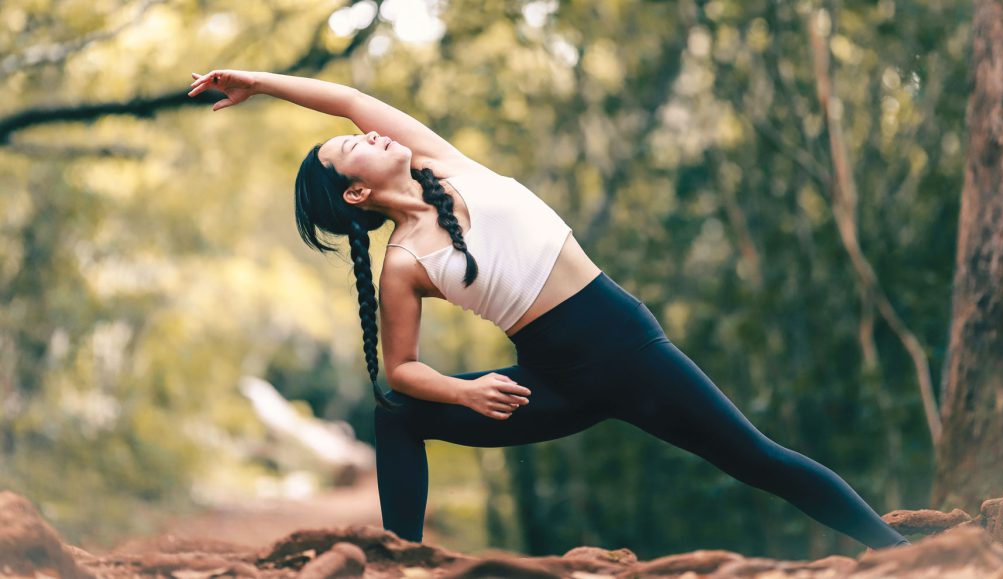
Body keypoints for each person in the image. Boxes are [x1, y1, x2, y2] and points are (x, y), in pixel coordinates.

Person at [186, 69, 912, 551]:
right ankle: (399, 563)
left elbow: (343, 97)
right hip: (551, 382)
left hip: (628, 348)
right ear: (354, 194)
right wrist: (466, 389)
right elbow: (402, 371)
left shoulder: (440, 161)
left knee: (758, 459)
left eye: (361, 133)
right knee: (394, 414)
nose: (369, 131)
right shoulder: (404, 262)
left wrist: (256, 81)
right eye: (353, 148)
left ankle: (907, 556)